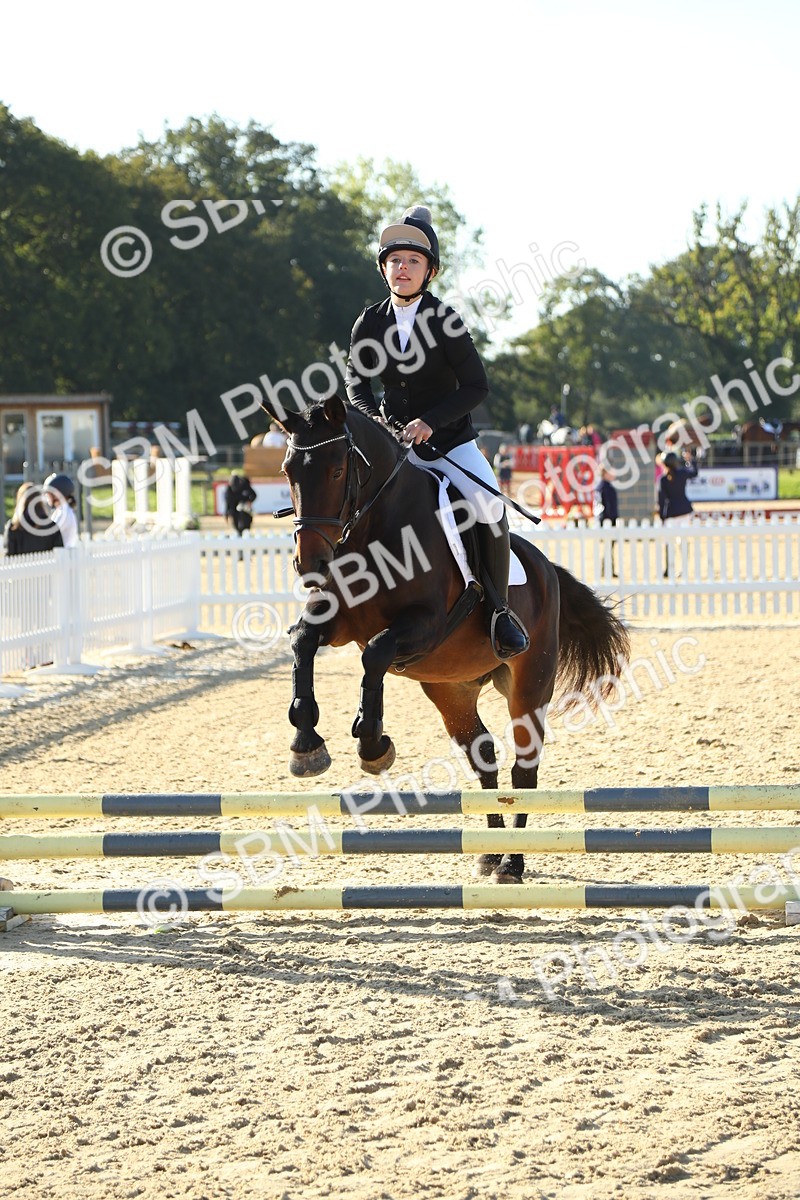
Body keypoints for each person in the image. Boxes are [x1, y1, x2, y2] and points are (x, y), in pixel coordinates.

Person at [345, 204, 528, 659]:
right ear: (383, 269)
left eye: (413, 261)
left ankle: (500, 611)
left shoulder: (446, 320)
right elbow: (356, 384)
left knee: (487, 504)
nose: (402, 268)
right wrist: (375, 421)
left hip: (450, 444)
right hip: (394, 445)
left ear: (430, 271)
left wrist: (432, 422)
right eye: (394, 260)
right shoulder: (370, 322)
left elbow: (476, 387)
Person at [657, 450, 698, 577]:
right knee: (683, 541)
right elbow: (694, 472)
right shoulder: (682, 473)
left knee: (669, 542)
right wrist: (690, 460)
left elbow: (662, 500)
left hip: (672, 513)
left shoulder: (663, 479)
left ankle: (669, 568)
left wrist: (662, 517)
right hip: (685, 511)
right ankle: (684, 568)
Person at [3, 483, 64, 555]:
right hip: (47, 562)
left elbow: (9, 556)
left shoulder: (13, 527)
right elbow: (60, 553)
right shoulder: (52, 526)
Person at [594, 466, 619, 576]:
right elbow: (609, 507)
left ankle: (606, 569)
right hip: (608, 521)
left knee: (607, 547)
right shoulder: (607, 488)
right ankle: (608, 569)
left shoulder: (599, 487)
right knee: (609, 547)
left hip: (601, 520)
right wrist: (612, 519)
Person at [43, 473, 79, 547]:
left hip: (63, 552)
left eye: (48, 493)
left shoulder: (64, 513)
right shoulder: (61, 510)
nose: (46, 496)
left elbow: (49, 535)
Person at [224, 472, 257, 536]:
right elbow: (228, 503)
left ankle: (246, 530)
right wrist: (226, 514)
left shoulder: (245, 485)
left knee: (245, 515)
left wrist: (249, 501)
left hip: (244, 506)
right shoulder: (229, 490)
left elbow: (254, 495)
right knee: (233, 514)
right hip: (234, 507)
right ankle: (238, 531)